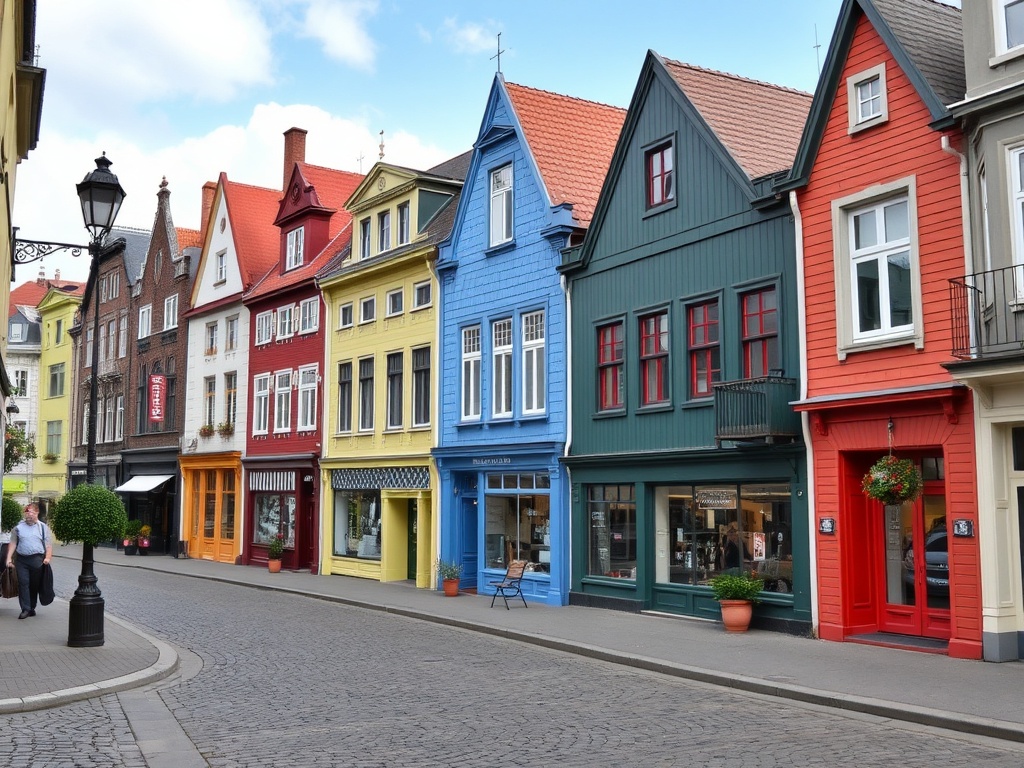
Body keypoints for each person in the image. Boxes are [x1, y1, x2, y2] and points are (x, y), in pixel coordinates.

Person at [6, 503, 52, 619]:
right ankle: (25, 609)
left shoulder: (43, 528)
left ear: (37, 513)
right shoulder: (18, 528)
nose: (28, 515)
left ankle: (32, 607)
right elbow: (13, 543)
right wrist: (8, 558)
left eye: (31, 512)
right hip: (22, 560)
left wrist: (47, 557)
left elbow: (48, 545)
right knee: (23, 583)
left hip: (37, 560)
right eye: (26, 513)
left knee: (34, 585)